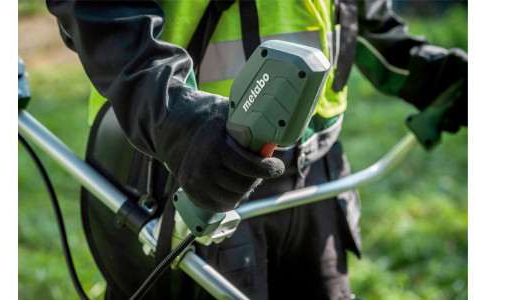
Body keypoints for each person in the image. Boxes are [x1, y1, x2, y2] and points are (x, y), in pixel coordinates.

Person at [46, 0, 467, 299]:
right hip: (193, 173)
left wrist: (428, 72)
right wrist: (174, 116)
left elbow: (354, 15)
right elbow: (101, 13)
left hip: (316, 172)